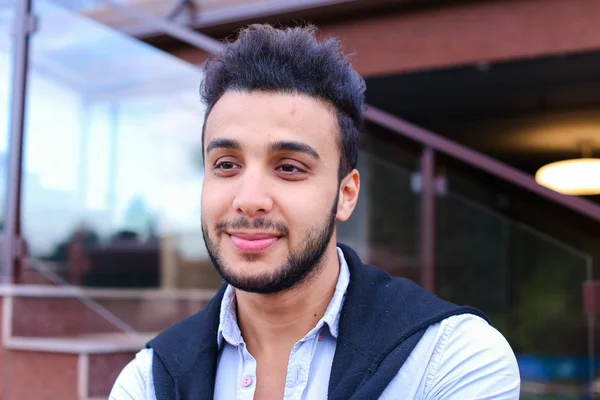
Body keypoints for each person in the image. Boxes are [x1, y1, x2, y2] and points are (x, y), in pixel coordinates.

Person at [110, 24, 520, 399]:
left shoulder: (450, 359)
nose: (249, 198)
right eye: (226, 165)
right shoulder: (148, 381)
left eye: (289, 167)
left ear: (346, 194)